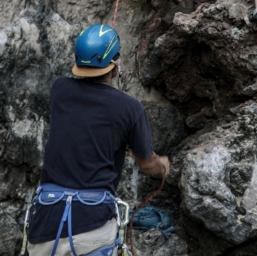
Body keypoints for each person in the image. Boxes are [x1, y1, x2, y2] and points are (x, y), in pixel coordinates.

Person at [25, 23, 170, 256]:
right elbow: (146, 164)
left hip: (46, 223)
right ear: (115, 65)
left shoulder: (59, 90)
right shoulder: (130, 109)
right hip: (92, 224)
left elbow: (85, 123)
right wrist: (162, 165)